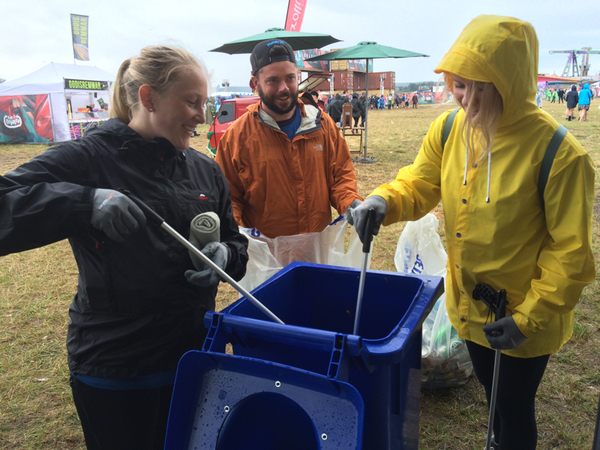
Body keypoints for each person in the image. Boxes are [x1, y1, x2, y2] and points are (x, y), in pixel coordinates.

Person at [348, 15, 594, 450]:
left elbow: (570, 253)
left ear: (510, 84)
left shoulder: (560, 155)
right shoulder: (449, 128)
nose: (465, 100)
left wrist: (526, 319)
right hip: (471, 306)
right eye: (459, 86)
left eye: (479, 88)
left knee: (514, 405)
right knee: (492, 393)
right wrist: (383, 201)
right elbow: (420, 182)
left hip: (522, 315)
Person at [0, 45, 249, 449]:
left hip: (191, 360)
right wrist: (82, 202)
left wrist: (227, 256)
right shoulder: (88, 157)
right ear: (149, 98)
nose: (201, 117)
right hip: (115, 369)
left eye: (205, 103)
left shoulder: (205, 169)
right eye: (191, 102)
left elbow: (235, 241)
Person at [215, 39, 362, 239]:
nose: (284, 88)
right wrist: (237, 241)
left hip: (316, 254)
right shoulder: (237, 138)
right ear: (254, 83)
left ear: (297, 77)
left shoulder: (321, 125)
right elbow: (228, 200)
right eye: (273, 80)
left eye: (290, 78)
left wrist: (351, 202)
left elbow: (340, 177)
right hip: (266, 260)